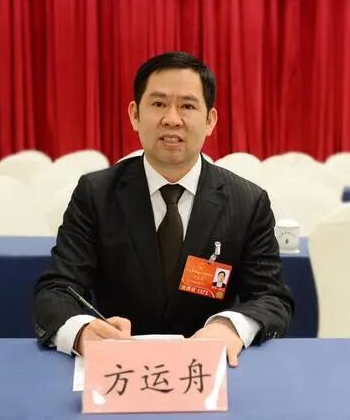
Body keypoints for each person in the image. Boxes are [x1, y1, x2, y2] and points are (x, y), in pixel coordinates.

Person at [34, 51, 293, 367]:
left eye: (187, 106)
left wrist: (229, 327)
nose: (172, 119)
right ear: (135, 115)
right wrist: (82, 331)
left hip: (207, 368)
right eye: (158, 104)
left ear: (210, 120)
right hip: (118, 368)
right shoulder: (96, 195)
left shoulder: (247, 202)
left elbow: (271, 298)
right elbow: (56, 290)